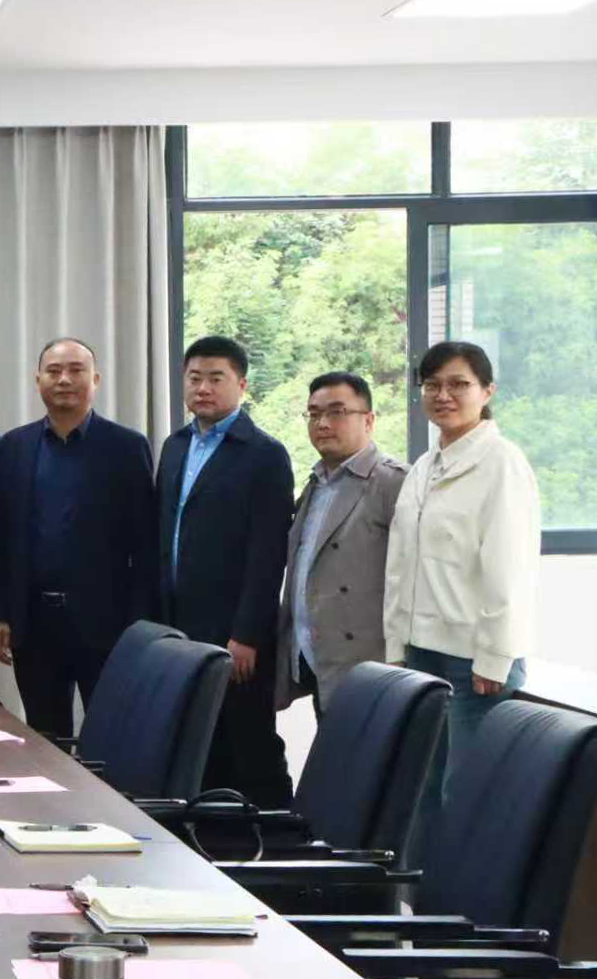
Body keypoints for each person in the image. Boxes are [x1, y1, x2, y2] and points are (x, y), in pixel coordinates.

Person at [386, 341, 539, 847]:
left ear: (487, 391)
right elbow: (401, 564)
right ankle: (424, 894)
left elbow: (510, 567)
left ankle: (466, 896)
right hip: (422, 649)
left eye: (459, 384)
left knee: (467, 793)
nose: (443, 395)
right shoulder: (425, 464)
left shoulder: (501, 463)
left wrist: (495, 655)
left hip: (475, 662)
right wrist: (396, 645)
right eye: (432, 385)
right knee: (422, 790)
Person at [0, 338, 156, 740]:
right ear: (38, 381)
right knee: (45, 738)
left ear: (95, 380)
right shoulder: (13, 447)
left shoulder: (126, 447)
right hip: (34, 624)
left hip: (107, 626)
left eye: (76, 370)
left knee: (112, 738)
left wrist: (139, 626)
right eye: (54, 371)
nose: (64, 379)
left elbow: (146, 544)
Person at [156, 335, 295, 806]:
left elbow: (268, 553)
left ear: (242, 385)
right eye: (194, 378)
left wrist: (247, 634)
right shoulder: (175, 446)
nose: (203, 388)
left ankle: (277, 831)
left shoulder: (264, 454)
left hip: (235, 631)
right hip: (181, 624)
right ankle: (209, 833)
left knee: (248, 741)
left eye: (216, 378)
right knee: (196, 738)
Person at [272, 372, 407, 717]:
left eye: (336, 412)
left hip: (370, 665)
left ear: (369, 420)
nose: (322, 423)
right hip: (316, 657)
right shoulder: (315, 484)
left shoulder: (393, 483)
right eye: (314, 414)